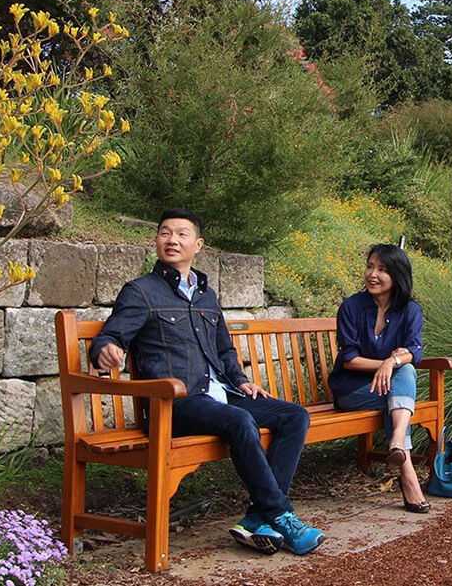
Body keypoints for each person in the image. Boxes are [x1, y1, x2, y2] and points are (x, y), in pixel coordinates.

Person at [89, 209, 325, 556]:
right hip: (176, 404)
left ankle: (259, 517)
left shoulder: (206, 295)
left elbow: (224, 349)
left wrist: (241, 381)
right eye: (165, 233)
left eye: (182, 234)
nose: (172, 240)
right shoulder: (141, 292)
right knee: (240, 421)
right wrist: (106, 349)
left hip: (221, 397)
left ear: (197, 245)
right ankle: (280, 515)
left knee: (294, 416)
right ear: (156, 240)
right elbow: (109, 336)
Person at [330, 243, 431, 513]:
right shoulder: (351, 307)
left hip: (388, 391)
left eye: (382, 269)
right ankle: (406, 468)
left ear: (398, 275)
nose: (372, 274)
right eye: (370, 266)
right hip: (352, 390)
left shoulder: (410, 310)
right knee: (401, 381)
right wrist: (386, 364)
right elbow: (349, 359)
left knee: (402, 377)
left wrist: (393, 362)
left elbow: (415, 351)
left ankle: (398, 443)